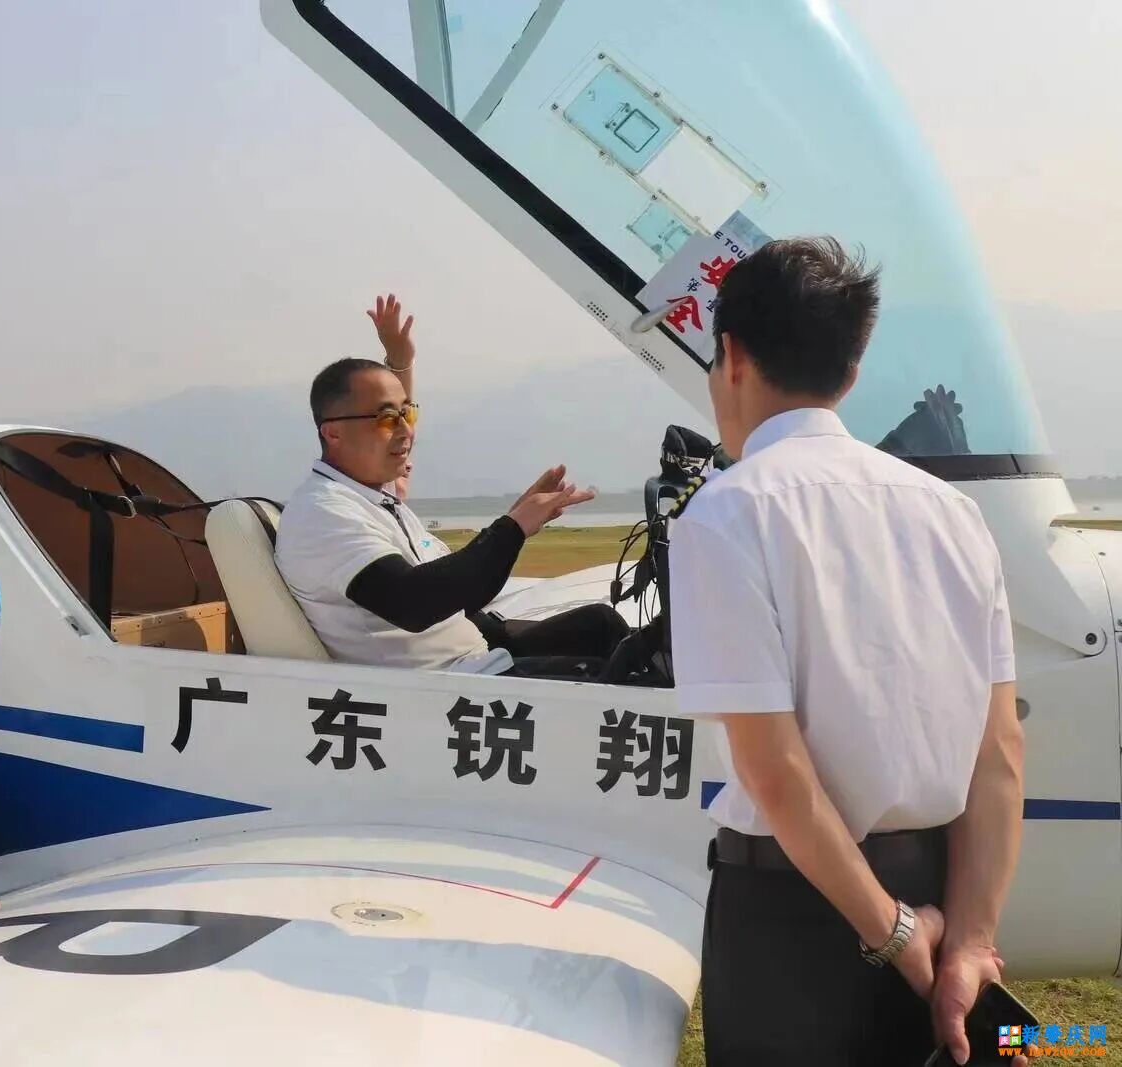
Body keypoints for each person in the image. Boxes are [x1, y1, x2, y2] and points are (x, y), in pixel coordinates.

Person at [666, 239, 1025, 1065]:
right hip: (938, 897)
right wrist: (969, 941)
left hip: (792, 918)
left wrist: (892, 934)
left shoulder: (727, 512)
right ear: (852, 370)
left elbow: (776, 773)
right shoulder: (953, 514)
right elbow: (1000, 750)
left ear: (732, 356)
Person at [275, 296, 630, 676]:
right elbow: (413, 603)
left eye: (407, 414)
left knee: (603, 625)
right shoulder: (324, 514)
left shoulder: (372, 497)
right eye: (387, 418)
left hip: (480, 652)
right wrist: (512, 528)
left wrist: (400, 361)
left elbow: (456, 589)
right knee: (616, 673)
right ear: (333, 433)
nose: (406, 430)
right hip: (455, 685)